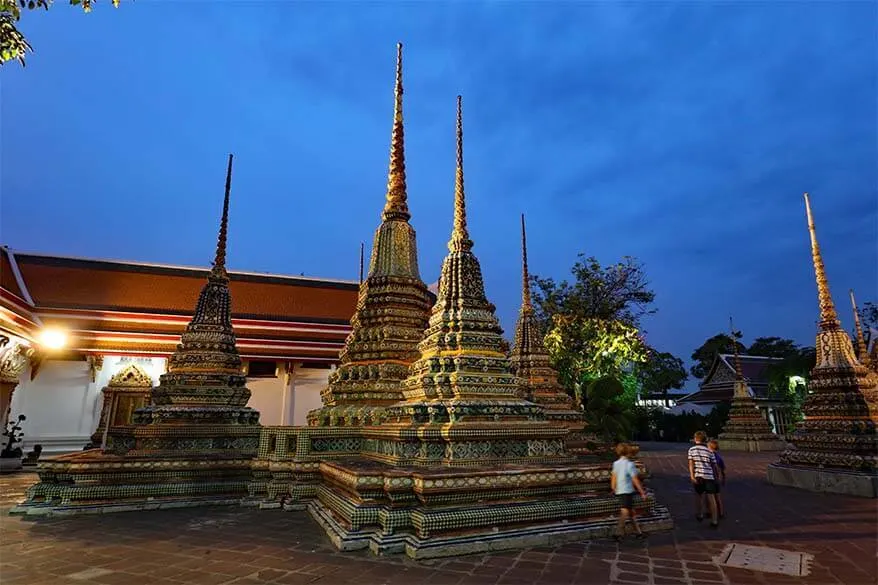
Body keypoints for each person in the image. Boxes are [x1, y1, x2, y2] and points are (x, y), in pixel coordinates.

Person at [611, 442, 648, 541]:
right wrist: (642, 492)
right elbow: (635, 480)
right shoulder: (630, 464)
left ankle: (638, 532)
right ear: (628, 452)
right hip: (627, 491)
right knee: (625, 512)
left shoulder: (616, 464)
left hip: (620, 490)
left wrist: (613, 488)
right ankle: (618, 532)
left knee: (631, 513)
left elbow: (613, 477)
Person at [688, 431, 720, 528]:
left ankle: (700, 514)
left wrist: (692, 476)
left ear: (695, 438)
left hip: (698, 476)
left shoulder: (691, 450)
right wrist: (716, 477)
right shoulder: (709, 451)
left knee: (699, 496)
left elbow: (691, 464)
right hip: (709, 476)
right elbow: (714, 466)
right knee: (711, 498)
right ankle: (714, 520)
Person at [708, 439, 726, 519]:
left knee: (709, 496)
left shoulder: (710, 456)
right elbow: (723, 469)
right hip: (717, 479)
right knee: (718, 497)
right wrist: (723, 479)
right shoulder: (719, 457)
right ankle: (721, 512)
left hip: (710, 478)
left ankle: (710, 511)